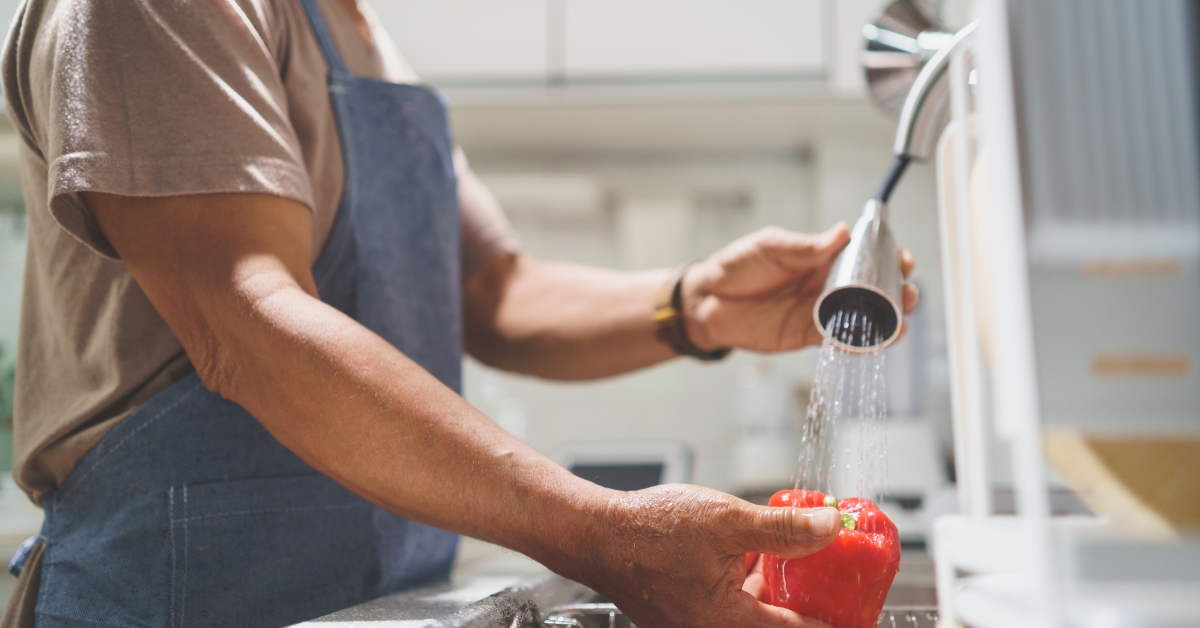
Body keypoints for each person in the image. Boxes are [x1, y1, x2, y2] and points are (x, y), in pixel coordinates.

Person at [0, 1, 918, 627]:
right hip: (176, 597)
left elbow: (492, 289)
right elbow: (248, 325)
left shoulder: (364, 36)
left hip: (372, 595)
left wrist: (697, 307)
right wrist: (601, 532)